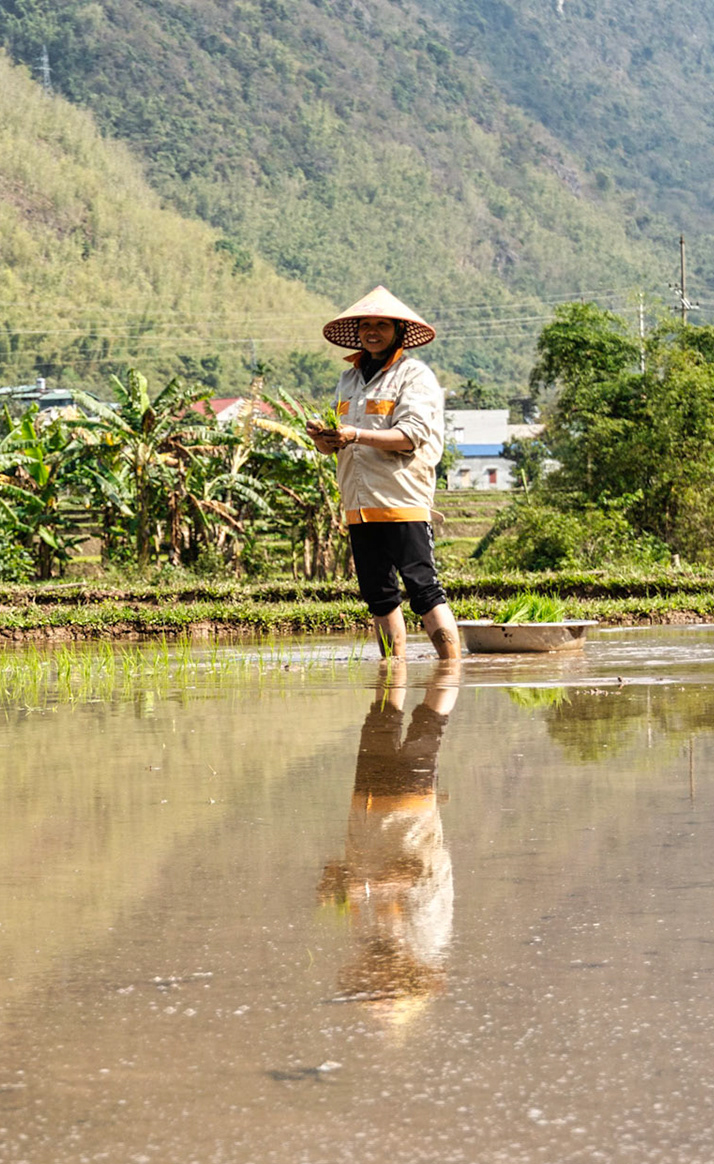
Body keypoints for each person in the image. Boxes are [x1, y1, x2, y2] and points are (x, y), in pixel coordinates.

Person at [306, 287, 461, 660]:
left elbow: (410, 437)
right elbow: (336, 444)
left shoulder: (414, 377)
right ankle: (393, 678)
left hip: (400, 499)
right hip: (358, 504)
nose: (372, 331)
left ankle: (451, 672)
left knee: (424, 590)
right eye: (366, 325)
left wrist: (355, 434)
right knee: (378, 595)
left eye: (381, 325)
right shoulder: (349, 380)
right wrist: (324, 439)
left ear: (399, 332)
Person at [316, 659, 459, 1027]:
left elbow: (362, 879)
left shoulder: (369, 939)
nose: (367, 975)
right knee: (429, 719)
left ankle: (405, 667)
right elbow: (414, 875)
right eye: (378, 985)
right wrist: (358, 887)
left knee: (381, 718)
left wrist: (337, 880)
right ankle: (450, 664)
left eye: (368, 984)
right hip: (408, 808)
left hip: (368, 805)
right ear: (406, 976)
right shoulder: (427, 937)